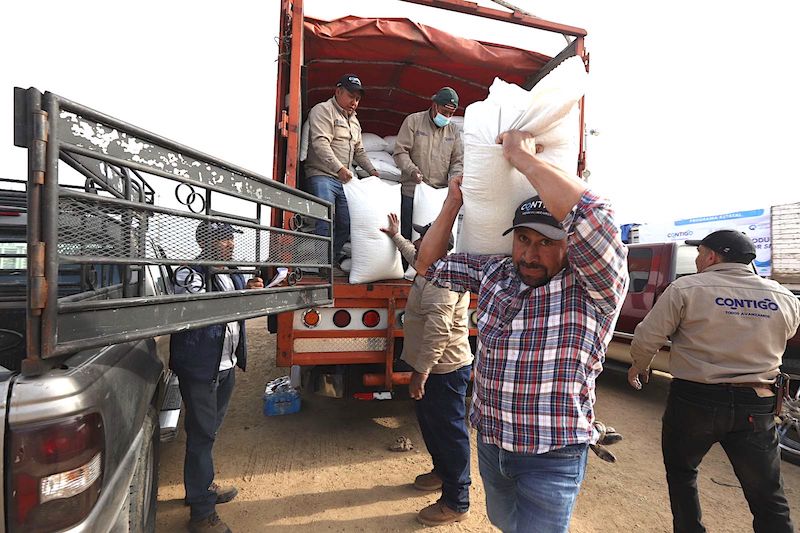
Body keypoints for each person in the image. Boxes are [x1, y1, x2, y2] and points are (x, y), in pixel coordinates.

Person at [415, 130, 629, 533]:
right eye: (523, 239)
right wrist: (452, 204)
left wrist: (522, 159)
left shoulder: (593, 288)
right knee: (502, 522)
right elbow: (428, 265)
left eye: (546, 242)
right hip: (492, 445)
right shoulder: (497, 272)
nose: (530, 254)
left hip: (552, 455)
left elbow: (596, 216)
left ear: (570, 246)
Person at [627, 229, 800, 533]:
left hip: (695, 401)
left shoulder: (687, 289)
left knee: (682, 474)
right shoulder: (784, 297)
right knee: (768, 496)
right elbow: (784, 336)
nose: (696, 260)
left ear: (711, 256)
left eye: (698, 254)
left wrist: (640, 366)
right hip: (757, 405)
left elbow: (647, 337)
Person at [170, 221, 264, 533]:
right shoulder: (188, 273)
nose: (230, 244)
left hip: (225, 366)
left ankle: (200, 489)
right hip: (200, 367)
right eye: (222, 239)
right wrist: (241, 296)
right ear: (205, 241)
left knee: (207, 432)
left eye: (229, 239)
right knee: (202, 434)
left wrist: (252, 291)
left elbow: (239, 311)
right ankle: (200, 514)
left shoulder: (232, 272)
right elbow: (199, 311)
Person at [379, 213, 473, 526]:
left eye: (423, 237)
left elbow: (439, 330)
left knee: (449, 431)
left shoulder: (442, 278)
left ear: (438, 246)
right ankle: (442, 473)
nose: (418, 242)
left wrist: (421, 372)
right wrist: (395, 235)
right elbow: (411, 254)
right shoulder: (428, 267)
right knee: (432, 425)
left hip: (443, 369)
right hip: (434, 367)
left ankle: (456, 500)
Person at [303, 73, 379, 265]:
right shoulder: (323, 110)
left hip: (343, 179)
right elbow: (320, 144)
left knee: (346, 222)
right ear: (338, 92)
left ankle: (331, 259)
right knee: (325, 218)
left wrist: (372, 171)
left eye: (358, 99)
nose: (354, 102)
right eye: (351, 96)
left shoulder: (354, 121)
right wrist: (339, 168)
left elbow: (359, 151)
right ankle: (321, 265)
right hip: (322, 174)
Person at [393, 87, 464, 241]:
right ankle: (407, 265)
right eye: (444, 112)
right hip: (412, 192)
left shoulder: (453, 131)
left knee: (435, 239)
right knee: (408, 236)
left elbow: (457, 161)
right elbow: (400, 152)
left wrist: (454, 180)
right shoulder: (414, 121)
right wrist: (412, 170)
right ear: (434, 106)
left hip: (438, 195)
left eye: (451, 114)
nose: (447, 117)